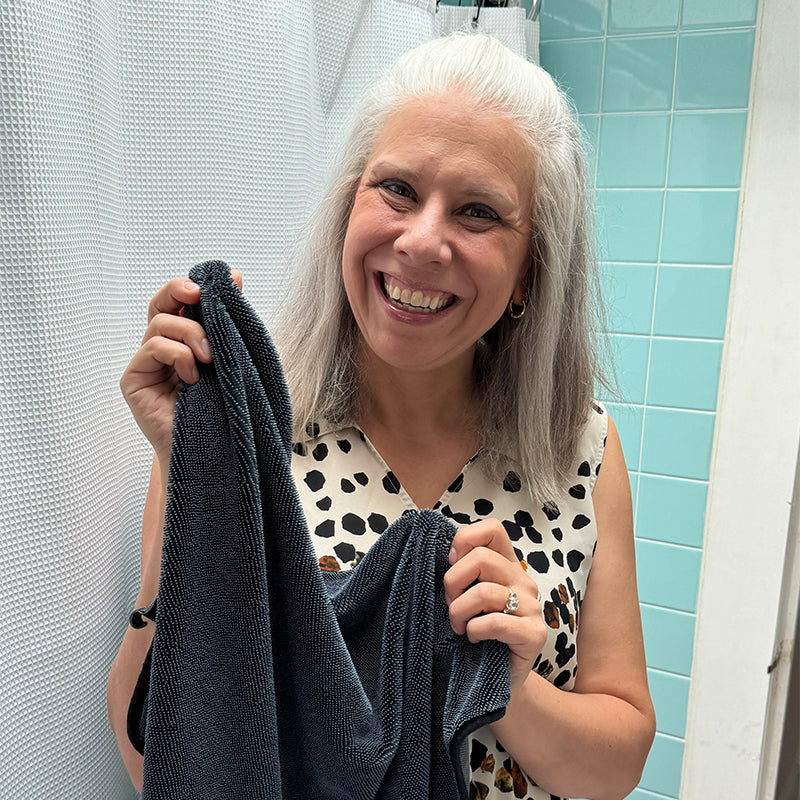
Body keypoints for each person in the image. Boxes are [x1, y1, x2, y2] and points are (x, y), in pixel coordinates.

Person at [107, 32, 655, 800]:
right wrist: (187, 467)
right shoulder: (255, 437)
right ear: (348, 209)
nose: (423, 241)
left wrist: (506, 685)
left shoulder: (580, 451)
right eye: (396, 188)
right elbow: (155, 757)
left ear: (531, 270)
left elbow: (620, 764)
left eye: (478, 212)